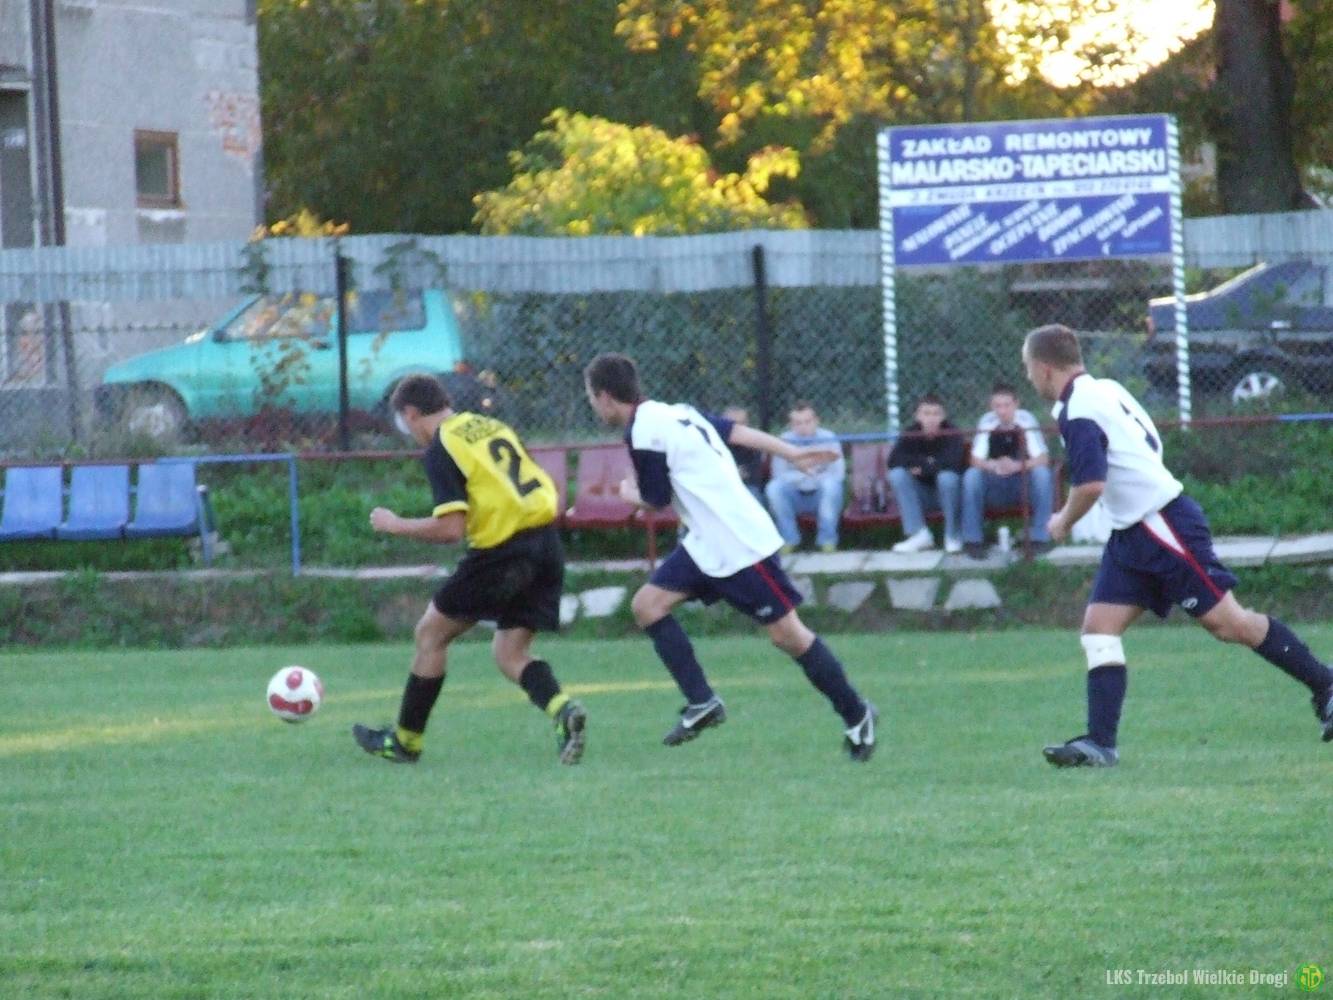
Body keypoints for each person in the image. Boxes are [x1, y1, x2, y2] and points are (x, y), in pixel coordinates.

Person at [1022, 324, 1333, 767]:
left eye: (1027, 368)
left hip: (1161, 526)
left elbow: (1090, 485)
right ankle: (1100, 744)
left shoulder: (1078, 408)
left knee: (1230, 624)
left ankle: (1326, 684)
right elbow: (1150, 442)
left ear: (1043, 367)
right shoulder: (1106, 389)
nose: (1028, 377)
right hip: (1132, 532)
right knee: (1099, 629)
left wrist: (1061, 521)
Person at [583, 353, 879, 761]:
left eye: (591, 397)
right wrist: (790, 452)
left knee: (788, 636)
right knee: (647, 606)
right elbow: (736, 432)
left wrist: (628, 493)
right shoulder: (676, 412)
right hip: (706, 542)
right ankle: (701, 701)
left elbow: (656, 499)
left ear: (604, 396)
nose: (593, 406)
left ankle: (857, 714)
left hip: (740, 543)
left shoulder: (644, 431)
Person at [352, 373, 587, 766]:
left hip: (503, 553)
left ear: (411, 414)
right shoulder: (490, 426)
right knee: (510, 652)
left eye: (404, 422)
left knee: (430, 635)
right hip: (546, 544)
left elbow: (450, 529)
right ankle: (563, 710)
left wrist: (396, 525)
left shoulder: (442, 445)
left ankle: (406, 741)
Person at [961, 382, 1054, 558]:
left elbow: (1042, 458)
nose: (1002, 411)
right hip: (995, 483)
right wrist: (994, 465)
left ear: (1016, 404)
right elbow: (975, 460)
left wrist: (1017, 466)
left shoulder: (1026, 420)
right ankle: (973, 541)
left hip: (1022, 484)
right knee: (971, 476)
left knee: (1042, 474)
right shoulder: (987, 421)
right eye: (997, 406)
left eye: (1006, 405)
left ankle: (1040, 538)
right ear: (991, 406)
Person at [887, 392, 967, 554]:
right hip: (921, 495)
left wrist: (922, 467)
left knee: (947, 477)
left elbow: (954, 462)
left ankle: (952, 535)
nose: (931, 419)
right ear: (917, 416)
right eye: (926, 413)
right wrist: (929, 463)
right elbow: (893, 460)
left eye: (936, 414)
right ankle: (919, 534)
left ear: (943, 416)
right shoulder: (911, 432)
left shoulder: (952, 433)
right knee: (897, 474)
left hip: (949, 495)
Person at [763, 401, 846, 553]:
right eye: (798, 423)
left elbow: (838, 473)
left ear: (816, 421)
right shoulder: (783, 440)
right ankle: (789, 539)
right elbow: (778, 475)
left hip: (821, 494)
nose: (803, 427)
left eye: (807, 422)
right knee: (774, 488)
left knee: (831, 486)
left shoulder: (828, 438)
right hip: (795, 494)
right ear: (791, 425)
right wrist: (809, 473)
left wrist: (802, 473)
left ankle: (827, 541)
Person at [722, 405, 767, 507]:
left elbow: (754, 476)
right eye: (734, 424)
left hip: (748, 487)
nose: (739, 428)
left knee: (752, 495)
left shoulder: (754, 444)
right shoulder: (717, 442)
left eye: (742, 423)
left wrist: (730, 472)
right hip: (722, 487)